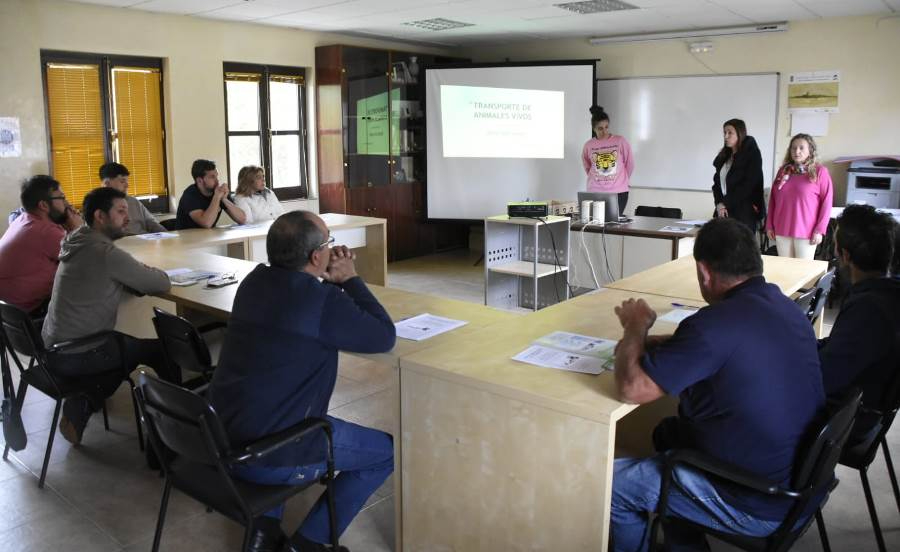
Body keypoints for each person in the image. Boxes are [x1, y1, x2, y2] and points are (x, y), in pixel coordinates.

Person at [610, 217, 825, 552]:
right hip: (798, 484)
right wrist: (668, 344)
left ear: (704, 272)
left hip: (757, 501)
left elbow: (632, 389)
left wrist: (636, 328)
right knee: (666, 432)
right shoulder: (785, 307)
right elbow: (723, 346)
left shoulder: (712, 326)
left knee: (611, 487)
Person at [209, 211, 396, 552]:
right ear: (315, 256)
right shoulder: (322, 301)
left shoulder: (254, 282)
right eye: (329, 244)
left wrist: (324, 282)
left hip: (224, 436)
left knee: (272, 402)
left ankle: (263, 532)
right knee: (385, 453)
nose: (331, 248)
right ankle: (310, 543)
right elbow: (383, 336)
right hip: (274, 451)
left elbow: (299, 304)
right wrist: (351, 279)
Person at [41, 187, 178, 445]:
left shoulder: (76, 240)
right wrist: (141, 271)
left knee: (124, 349)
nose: (127, 217)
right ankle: (174, 427)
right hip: (79, 352)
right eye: (121, 211)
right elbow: (160, 283)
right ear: (100, 216)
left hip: (53, 348)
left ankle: (82, 404)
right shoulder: (106, 253)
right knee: (161, 349)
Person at [818, 204, 900, 445]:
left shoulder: (869, 311)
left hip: (846, 420)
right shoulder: (887, 293)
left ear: (845, 255)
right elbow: (840, 352)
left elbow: (824, 379)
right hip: (863, 404)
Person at [0, 175, 82, 315]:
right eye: (61, 198)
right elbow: (87, 258)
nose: (67, 203)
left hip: (10, 312)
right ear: (43, 205)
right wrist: (78, 229)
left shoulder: (24, 219)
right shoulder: (44, 231)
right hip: (30, 313)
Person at [766, 134, 833, 259]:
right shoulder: (783, 171)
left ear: (810, 150)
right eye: (793, 148)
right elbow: (773, 200)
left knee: (803, 271)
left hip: (806, 231)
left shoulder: (820, 172)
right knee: (785, 270)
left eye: (802, 148)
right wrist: (769, 224)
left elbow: (827, 203)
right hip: (782, 229)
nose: (797, 151)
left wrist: (820, 230)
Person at [711, 118, 766, 233]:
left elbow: (749, 185)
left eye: (730, 133)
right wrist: (719, 204)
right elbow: (717, 185)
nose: (726, 136)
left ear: (740, 134)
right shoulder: (724, 157)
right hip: (723, 212)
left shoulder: (752, 154)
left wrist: (724, 203)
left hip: (743, 213)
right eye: (724, 133)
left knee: (740, 248)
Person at [582, 105, 635, 215]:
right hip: (595, 191)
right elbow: (588, 166)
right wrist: (599, 177)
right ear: (594, 129)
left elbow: (630, 163)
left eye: (606, 127)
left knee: (613, 224)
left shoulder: (620, 141)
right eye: (600, 128)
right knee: (595, 223)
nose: (604, 131)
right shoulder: (588, 145)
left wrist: (622, 180)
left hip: (619, 191)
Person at [175, 159, 246, 229]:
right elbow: (206, 223)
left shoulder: (217, 192)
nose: (217, 180)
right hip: (186, 238)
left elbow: (242, 219)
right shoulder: (190, 195)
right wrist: (217, 197)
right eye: (212, 177)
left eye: (217, 176)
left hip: (208, 238)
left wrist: (224, 199)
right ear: (200, 181)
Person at [99, 162, 167, 235]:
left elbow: (152, 224)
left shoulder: (133, 202)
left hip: (145, 242)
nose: (127, 185)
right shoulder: (96, 206)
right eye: (122, 181)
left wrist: (169, 236)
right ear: (107, 184)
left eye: (127, 181)